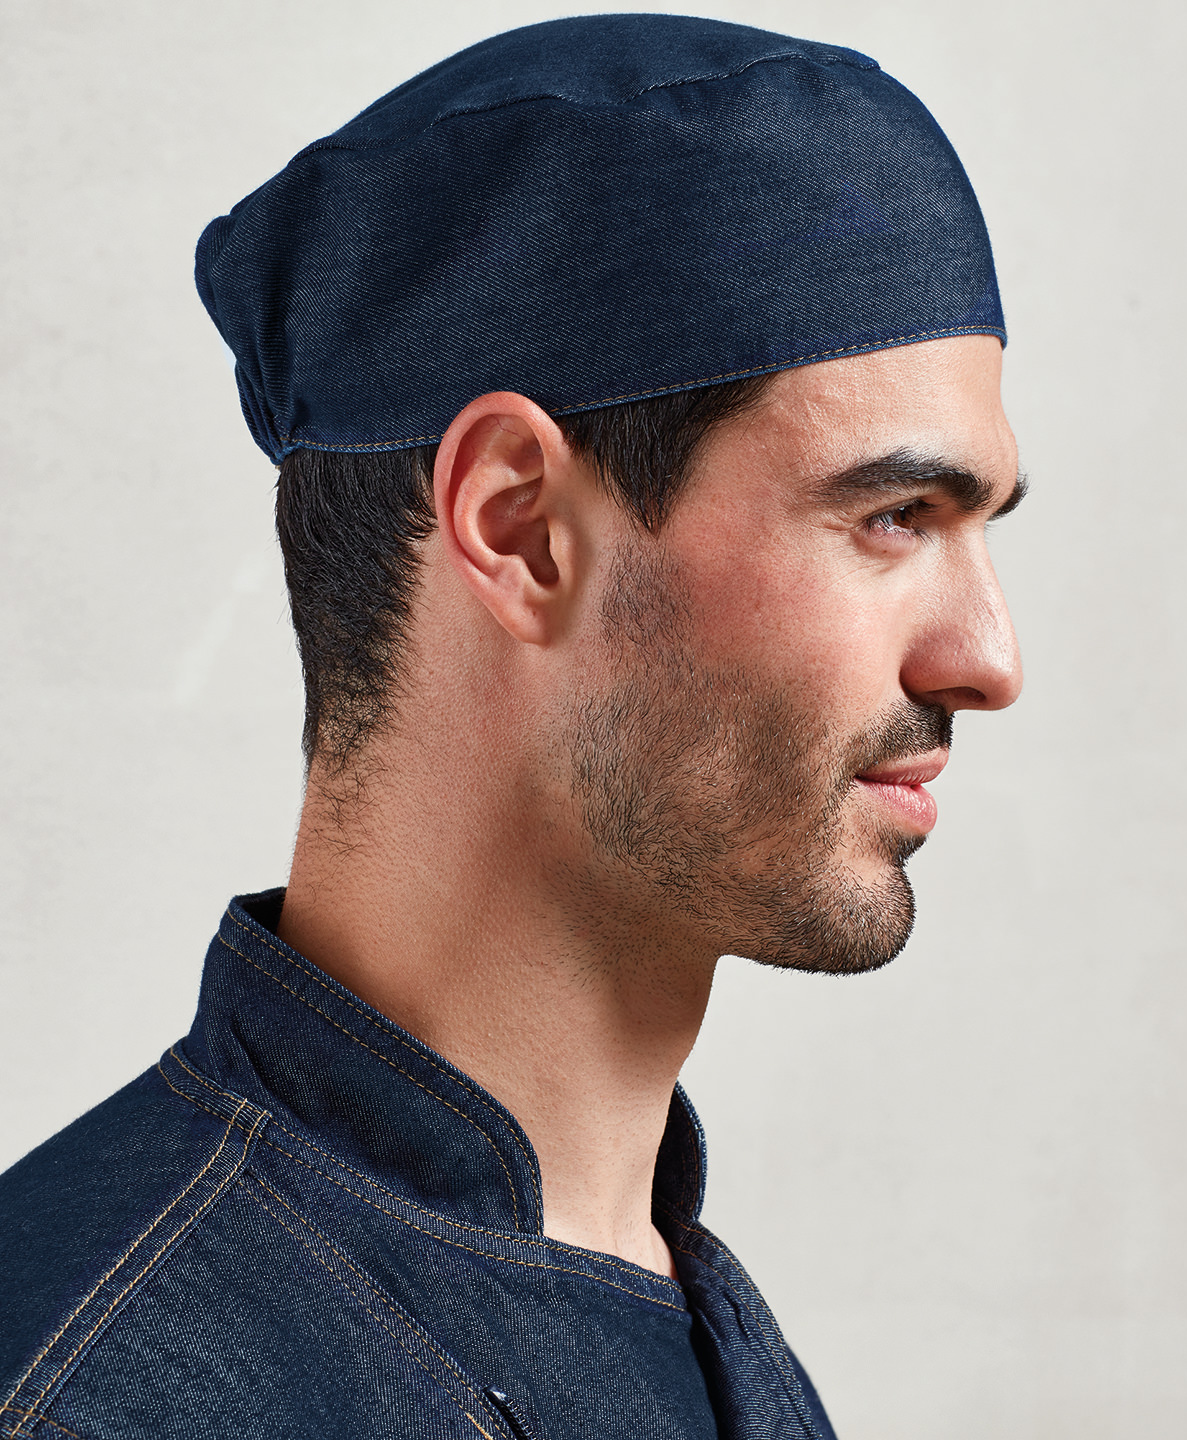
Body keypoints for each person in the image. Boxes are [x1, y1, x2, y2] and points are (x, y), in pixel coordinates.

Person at [0, 14, 1024, 1439]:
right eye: (894, 516)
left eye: (982, 525)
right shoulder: (91, 1390)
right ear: (522, 529)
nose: (990, 661)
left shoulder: (682, 1312)